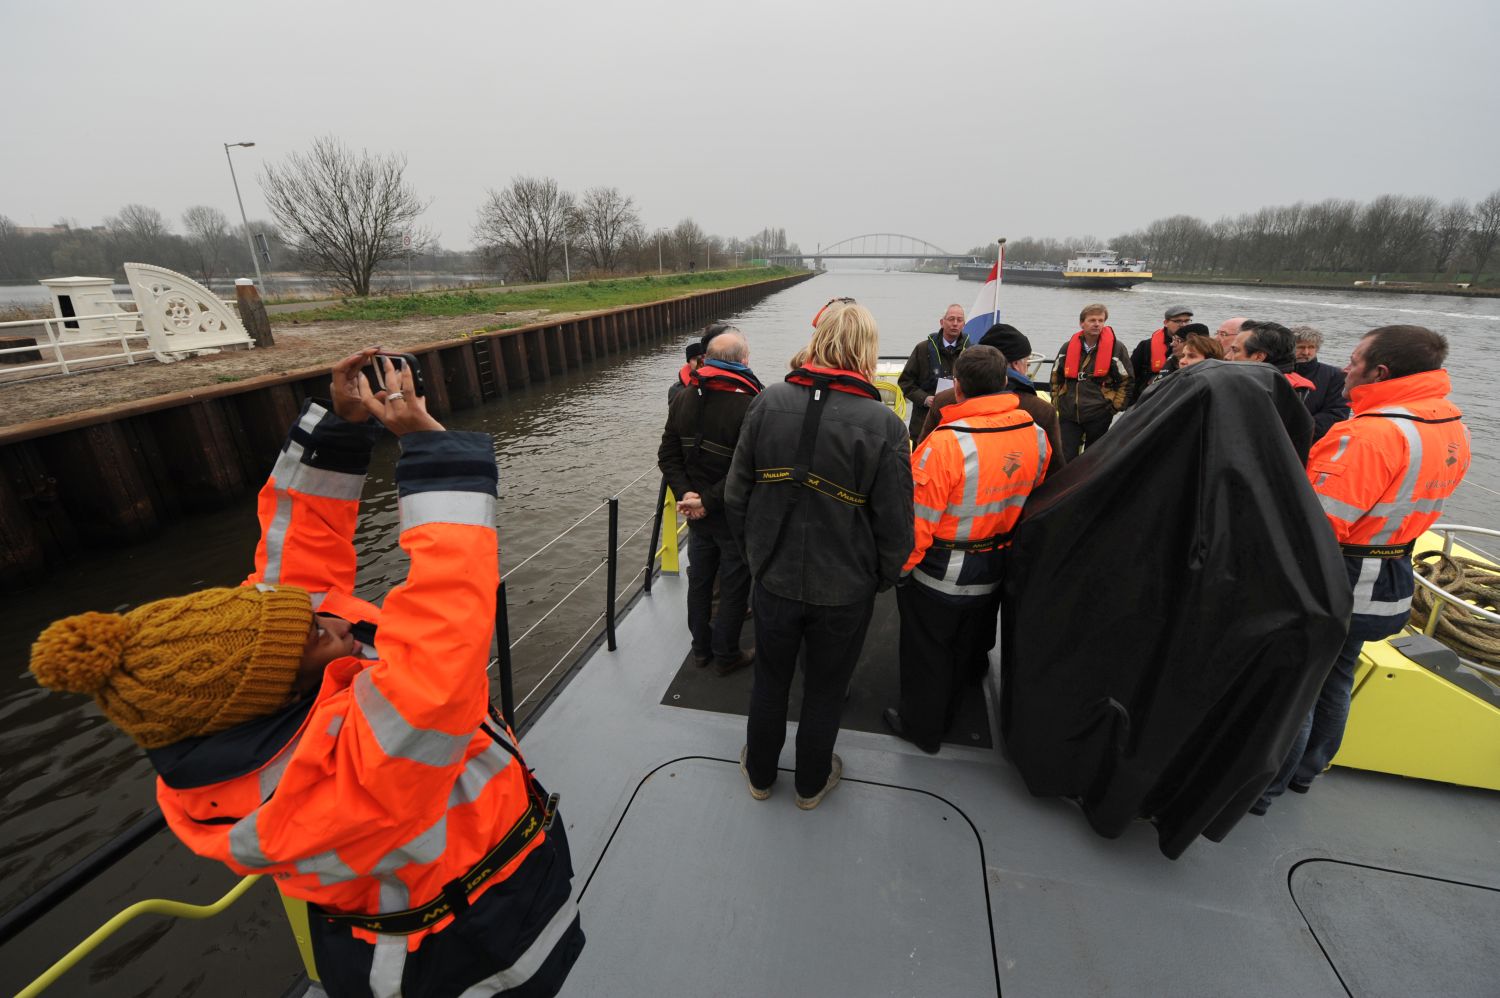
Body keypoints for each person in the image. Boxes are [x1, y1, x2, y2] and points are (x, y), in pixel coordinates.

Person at [27, 351, 584, 997]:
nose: (337, 624)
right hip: (473, 942)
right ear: (280, 692)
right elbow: (446, 629)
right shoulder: (358, 762)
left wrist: (339, 428)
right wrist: (432, 452)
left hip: (428, 918)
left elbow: (298, 562)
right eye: (317, 634)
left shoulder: (236, 700)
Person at [1254, 325, 1470, 815]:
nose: (1344, 369)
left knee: (1298, 690)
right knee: (1336, 677)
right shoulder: (1450, 425)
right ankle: (1307, 773)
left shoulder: (1368, 435)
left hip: (1339, 579)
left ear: (1380, 371)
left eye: (1353, 361)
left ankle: (1264, 791)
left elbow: (1313, 526)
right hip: (1391, 574)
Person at [725, 302, 914, 809]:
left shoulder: (766, 403)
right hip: (844, 589)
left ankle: (761, 775)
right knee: (826, 688)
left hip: (774, 578)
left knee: (770, 680)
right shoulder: (886, 426)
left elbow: (736, 495)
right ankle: (810, 784)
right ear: (867, 351)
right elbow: (896, 524)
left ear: (820, 341)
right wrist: (880, 576)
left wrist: (756, 558)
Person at [884, 346, 1050, 754]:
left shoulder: (942, 446)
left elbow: (917, 524)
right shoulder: (1037, 435)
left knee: (928, 654)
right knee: (967, 650)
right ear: (1005, 383)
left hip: (941, 574)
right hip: (998, 568)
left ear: (957, 389)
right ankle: (957, 709)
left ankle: (923, 728)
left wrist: (899, 572)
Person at [658, 329, 762, 675]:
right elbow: (746, 469)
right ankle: (726, 654)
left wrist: (687, 495)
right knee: (733, 588)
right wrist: (707, 500)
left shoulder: (684, 397)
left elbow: (668, 455)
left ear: (708, 359)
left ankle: (700, 649)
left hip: (697, 517)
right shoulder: (751, 404)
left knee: (700, 582)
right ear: (744, 361)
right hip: (731, 516)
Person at [917, 322, 1064, 478]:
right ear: (1015, 365)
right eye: (1026, 362)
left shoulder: (943, 400)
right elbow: (1055, 471)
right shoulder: (1041, 410)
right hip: (1021, 497)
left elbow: (923, 454)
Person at [1050, 303, 1132, 460]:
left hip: (1099, 412)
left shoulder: (1116, 348)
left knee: (1093, 458)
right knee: (1065, 456)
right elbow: (1055, 376)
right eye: (1092, 320)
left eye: (1101, 320)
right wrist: (1057, 401)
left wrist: (1114, 407)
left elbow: (1126, 380)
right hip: (1068, 413)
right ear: (1082, 323)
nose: (1097, 324)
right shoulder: (1068, 347)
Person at [897, 303, 969, 441]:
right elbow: (905, 381)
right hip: (923, 424)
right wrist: (924, 399)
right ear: (942, 322)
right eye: (951, 319)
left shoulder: (971, 352)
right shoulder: (922, 349)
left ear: (964, 324)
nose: (955, 324)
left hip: (958, 426)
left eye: (959, 320)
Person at [1292, 325, 1351, 442]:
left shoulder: (1335, 375)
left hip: (1313, 441)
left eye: (1311, 347)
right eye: (1301, 347)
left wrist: (1299, 429)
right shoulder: (1278, 371)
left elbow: (1337, 414)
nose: (1306, 352)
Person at [1127, 305, 1193, 407]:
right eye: (1178, 321)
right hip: (1146, 401)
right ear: (1166, 323)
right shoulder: (1145, 346)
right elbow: (1130, 375)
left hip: (1177, 402)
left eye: (1187, 321)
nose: (1183, 325)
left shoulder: (1196, 348)